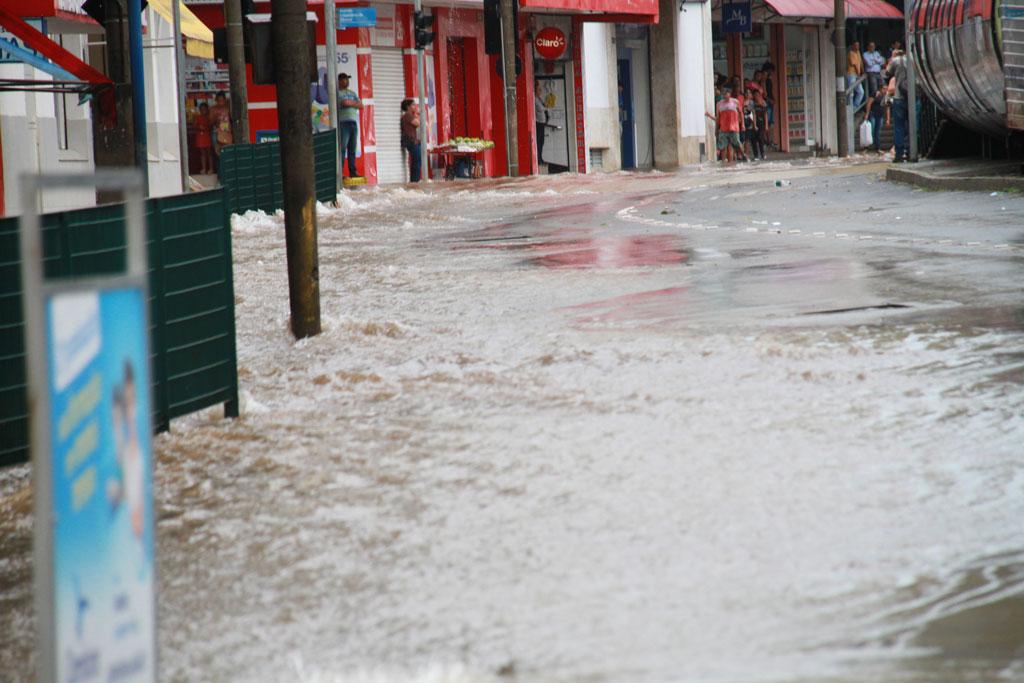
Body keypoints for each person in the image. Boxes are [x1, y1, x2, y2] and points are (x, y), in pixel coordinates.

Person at [885, 49, 910, 161]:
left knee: (899, 127)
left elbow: (887, 73)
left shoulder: (895, 61)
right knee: (912, 126)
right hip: (912, 96)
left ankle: (899, 154)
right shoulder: (912, 59)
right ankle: (911, 151)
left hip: (899, 97)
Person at [337, 72, 362, 179]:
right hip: (343, 123)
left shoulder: (352, 92)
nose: (346, 81)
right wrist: (353, 103)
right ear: (339, 81)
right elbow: (344, 103)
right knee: (342, 148)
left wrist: (350, 103)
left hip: (353, 122)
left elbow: (361, 105)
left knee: (352, 148)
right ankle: (340, 173)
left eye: (347, 79)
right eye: (344, 79)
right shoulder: (337, 93)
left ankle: (353, 171)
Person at [716, 87, 744, 163]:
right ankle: (723, 161)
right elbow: (718, 117)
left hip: (734, 128)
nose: (724, 95)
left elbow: (741, 113)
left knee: (737, 144)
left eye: (726, 94)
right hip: (723, 128)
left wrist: (743, 125)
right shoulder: (719, 104)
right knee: (722, 146)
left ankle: (743, 156)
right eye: (723, 94)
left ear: (730, 94)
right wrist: (716, 129)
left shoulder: (735, 102)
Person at [400, 98, 422, 182]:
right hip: (411, 141)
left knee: (417, 161)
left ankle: (414, 181)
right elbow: (418, 123)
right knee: (417, 162)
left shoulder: (410, 115)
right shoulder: (408, 115)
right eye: (413, 105)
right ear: (408, 107)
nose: (415, 106)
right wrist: (417, 114)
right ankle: (414, 181)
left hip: (413, 141)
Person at [209, 91, 232, 166]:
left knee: (228, 152)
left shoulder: (228, 108)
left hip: (227, 133)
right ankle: (219, 170)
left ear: (225, 100)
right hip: (216, 133)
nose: (220, 103)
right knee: (217, 153)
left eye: (222, 100)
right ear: (216, 100)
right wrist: (215, 119)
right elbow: (210, 123)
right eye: (219, 100)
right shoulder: (213, 109)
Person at [864, 84, 888, 153]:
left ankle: (877, 147)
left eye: (886, 89)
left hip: (880, 115)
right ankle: (867, 147)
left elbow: (887, 107)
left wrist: (887, 118)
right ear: (880, 89)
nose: (885, 90)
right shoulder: (875, 94)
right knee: (871, 130)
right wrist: (867, 114)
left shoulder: (886, 96)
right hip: (873, 114)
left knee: (877, 132)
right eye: (884, 89)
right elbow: (869, 103)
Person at [194, 102, 214, 175]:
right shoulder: (198, 117)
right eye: (202, 110)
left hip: (207, 135)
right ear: (199, 110)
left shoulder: (209, 117)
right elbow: (195, 125)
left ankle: (211, 168)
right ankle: (204, 168)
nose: (203, 111)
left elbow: (211, 125)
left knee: (209, 153)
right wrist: (199, 127)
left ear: (207, 109)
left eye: (205, 109)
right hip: (201, 136)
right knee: (202, 153)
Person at [847, 41, 864, 108]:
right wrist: (859, 73)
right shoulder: (851, 53)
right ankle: (850, 109)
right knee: (851, 93)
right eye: (856, 45)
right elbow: (854, 64)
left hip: (857, 75)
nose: (857, 47)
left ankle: (854, 107)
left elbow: (861, 63)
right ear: (853, 46)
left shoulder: (858, 52)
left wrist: (863, 71)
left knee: (861, 92)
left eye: (858, 45)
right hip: (851, 74)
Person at [535, 80, 549, 165]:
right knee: (539, 141)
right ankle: (538, 159)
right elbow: (540, 109)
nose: (540, 91)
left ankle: (540, 158)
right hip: (538, 123)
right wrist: (546, 107)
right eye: (539, 90)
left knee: (541, 142)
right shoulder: (535, 99)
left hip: (542, 123)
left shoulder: (539, 99)